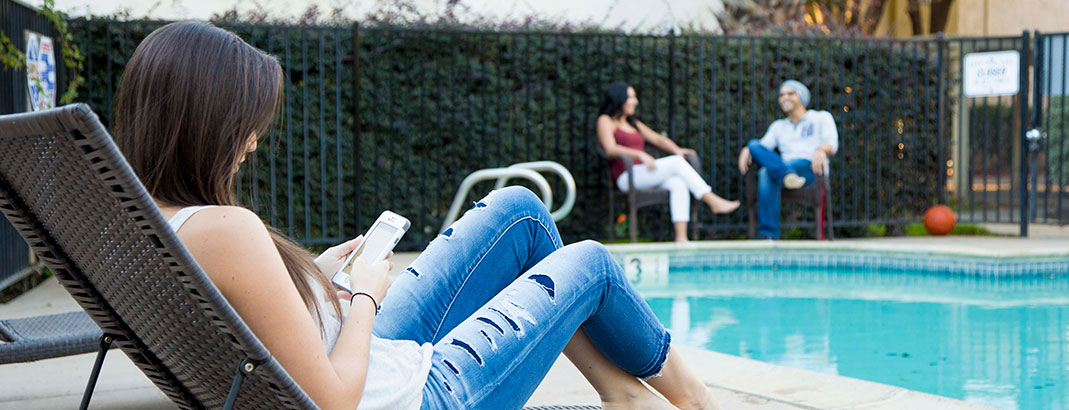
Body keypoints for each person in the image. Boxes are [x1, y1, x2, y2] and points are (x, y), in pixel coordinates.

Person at [113, 22, 722, 410]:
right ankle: (696, 402)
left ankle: (621, 393)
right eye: (247, 124)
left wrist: (313, 283)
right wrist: (365, 298)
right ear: (205, 123)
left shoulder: (145, 227)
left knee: (521, 212)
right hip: (410, 396)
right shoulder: (226, 229)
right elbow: (331, 402)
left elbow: (258, 327)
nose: (252, 141)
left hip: (361, 356)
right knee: (587, 263)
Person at [596, 82, 740, 242]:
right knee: (677, 163)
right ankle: (710, 199)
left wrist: (677, 150)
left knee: (678, 183)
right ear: (619, 98)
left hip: (644, 174)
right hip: (626, 176)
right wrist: (638, 154)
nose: (635, 101)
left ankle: (681, 238)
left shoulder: (632, 123)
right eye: (631, 97)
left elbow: (657, 138)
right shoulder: (606, 120)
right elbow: (609, 148)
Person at [737, 80, 839, 240]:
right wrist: (747, 149)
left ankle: (768, 233)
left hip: (809, 168)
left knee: (767, 171)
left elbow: (832, 144)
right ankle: (768, 236)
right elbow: (761, 148)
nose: (784, 97)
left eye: (790, 93)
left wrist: (821, 149)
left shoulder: (821, 117)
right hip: (783, 167)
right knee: (755, 148)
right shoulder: (778, 126)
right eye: (781, 95)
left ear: (801, 96)